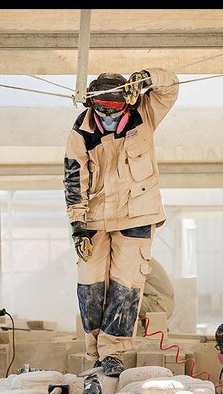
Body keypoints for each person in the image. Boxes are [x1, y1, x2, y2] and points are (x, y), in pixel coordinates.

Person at [63, 67, 179, 376]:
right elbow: (75, 178)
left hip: (138, 215)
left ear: (126, 103)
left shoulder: (145, 113)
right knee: (90, 287)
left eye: (115, 110)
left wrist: (146, 79)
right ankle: (94, 352)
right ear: (93, 104)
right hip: (96, 219)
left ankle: (112, 353)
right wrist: (78, 227)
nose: (110, 116)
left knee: (126, 287)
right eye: (104, 110)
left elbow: (170, 86)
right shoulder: (82, 132)